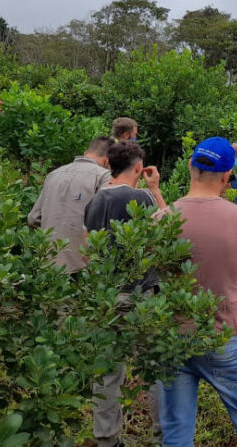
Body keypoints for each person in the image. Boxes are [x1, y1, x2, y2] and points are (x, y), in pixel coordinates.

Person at [157, 137, 237, 446]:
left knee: (176, 432)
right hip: (226, 336)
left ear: (189, 166)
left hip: (173, 337)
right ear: (228, 176)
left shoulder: (161, 219)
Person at [83, 141, 167, 447]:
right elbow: (168, 231)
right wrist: (156, 189)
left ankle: (107, 439)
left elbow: (87, 249)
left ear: (108, 166)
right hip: (140, 295)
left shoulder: (94, 202)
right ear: (137, 167)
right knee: (154, 369)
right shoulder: (141, 197)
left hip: (105, 299)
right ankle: (162, 435)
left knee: (106, 372)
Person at [28, 136, 113, 274]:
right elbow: (105, 219)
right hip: (81, 266)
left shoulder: (53, 174)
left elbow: (33, 218)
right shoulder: (104, 176)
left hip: (47, 264)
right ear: (107, 161)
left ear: (86, 152)